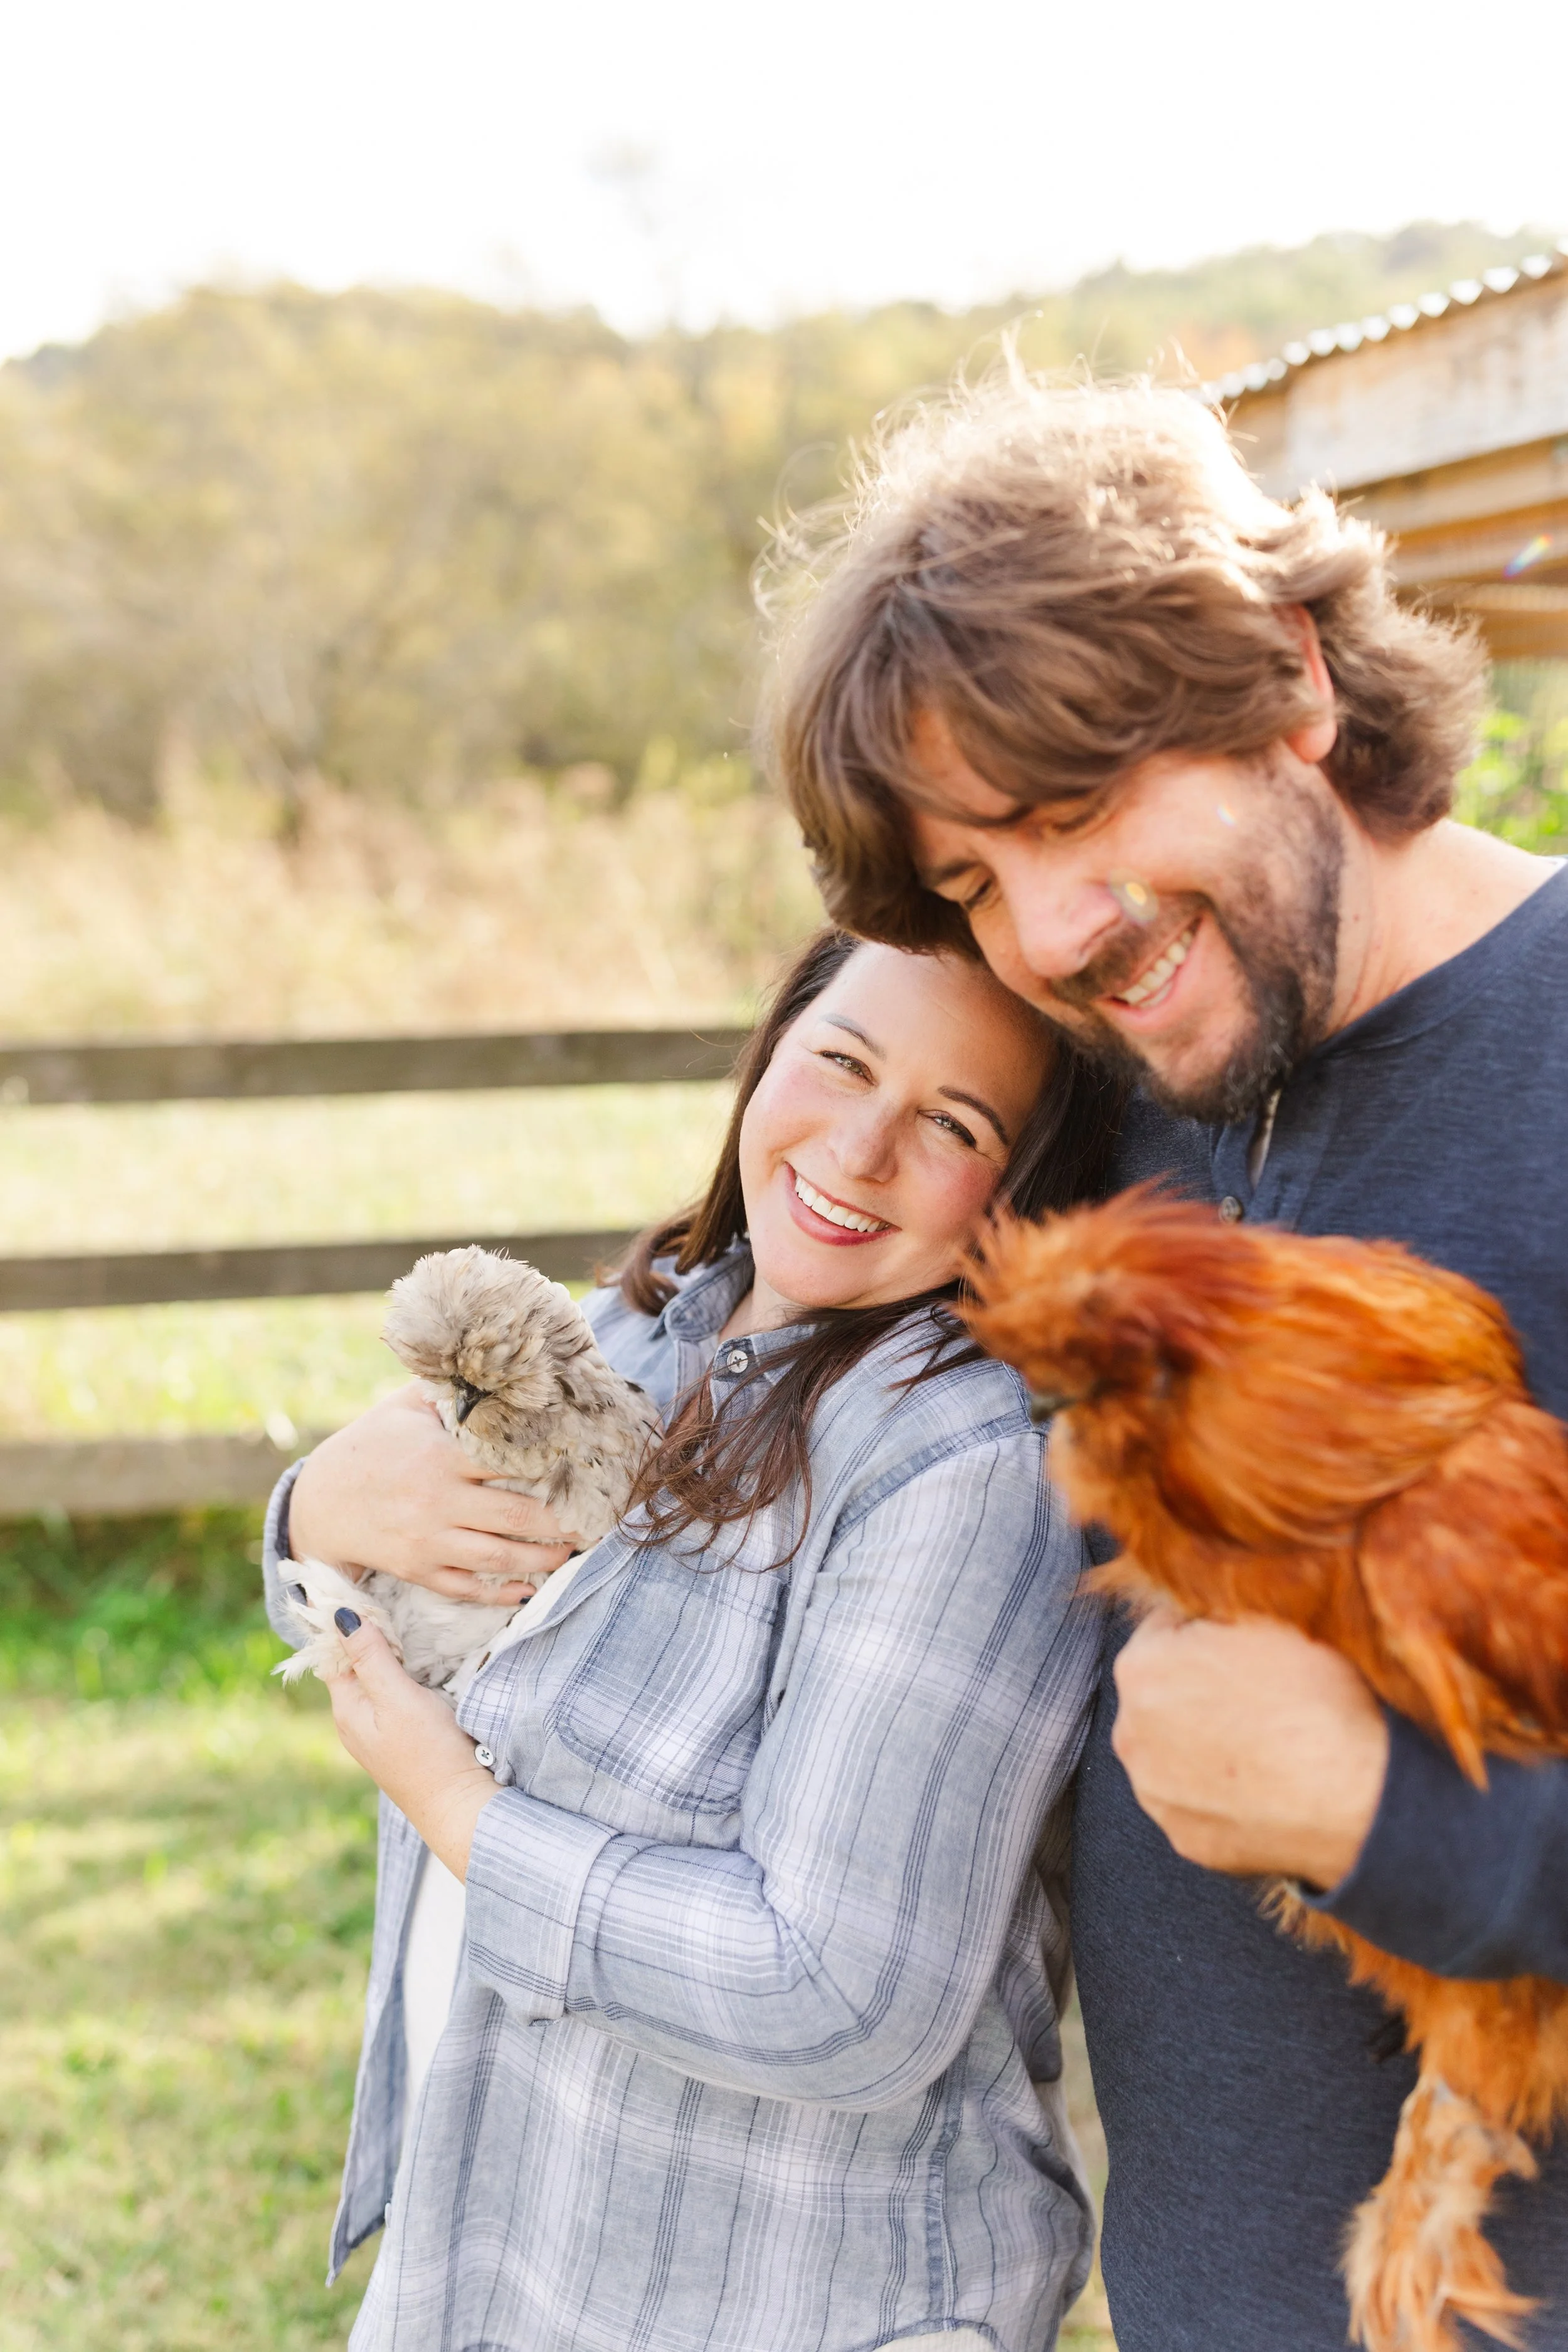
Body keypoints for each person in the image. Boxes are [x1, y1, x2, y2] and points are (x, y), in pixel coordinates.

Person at [763, 374, 1568, 2349]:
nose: (1042, 926)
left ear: (1290, 675)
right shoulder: (1113, 1104)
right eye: (968, 877)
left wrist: (1389, 1818)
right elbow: (751, 1340)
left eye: (1074, 808)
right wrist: (339, 1502)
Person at [264, 927, 1126, 2352]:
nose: (856, 1151)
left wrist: (459, 1813)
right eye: (839, 1060)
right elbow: (403, 1624)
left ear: (1019, 1195)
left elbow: (843, 1996)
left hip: (793, 2302)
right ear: (770, 1049)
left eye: (951, 1124)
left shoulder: (957, 1479)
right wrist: (311, 1515)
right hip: (510, 2250)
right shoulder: (632, 1341)